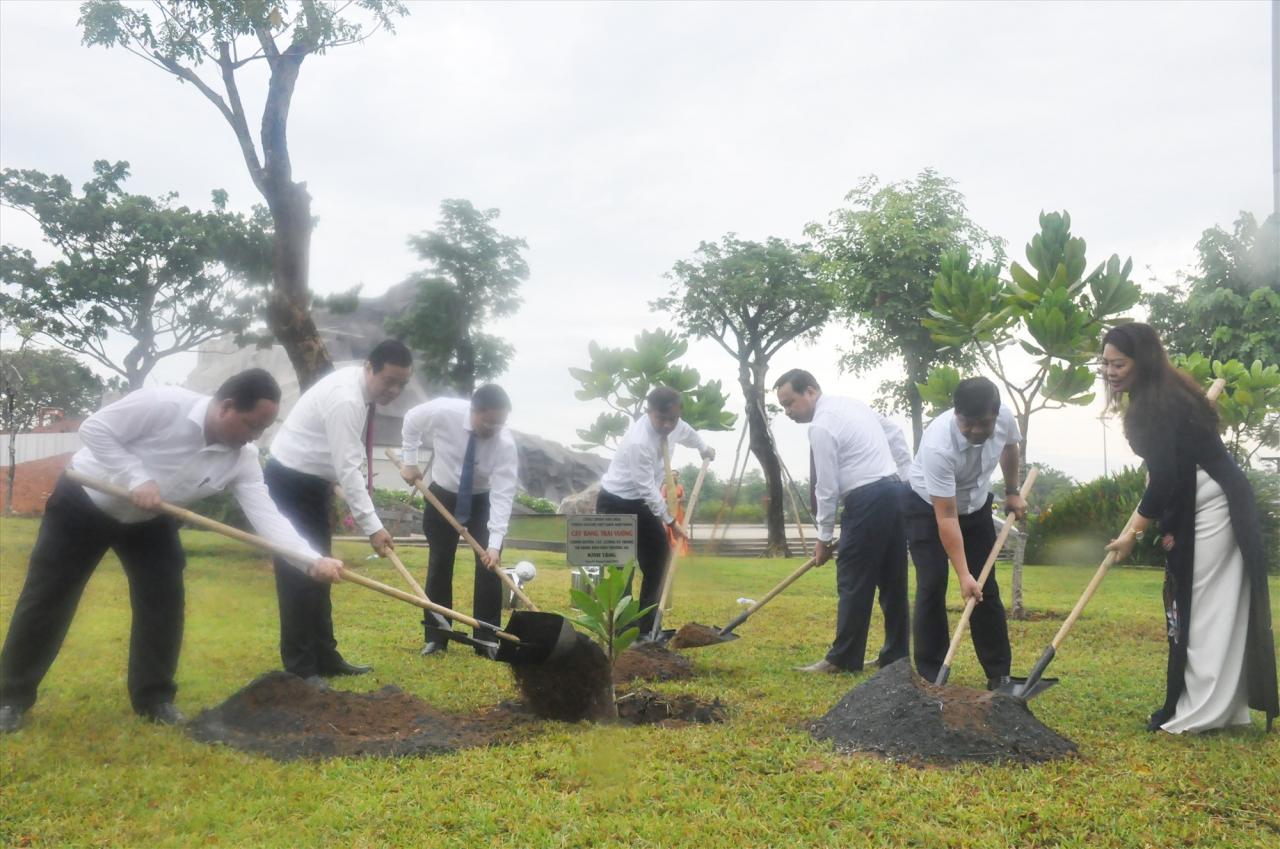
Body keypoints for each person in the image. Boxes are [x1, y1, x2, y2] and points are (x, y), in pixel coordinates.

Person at [0, 369, 345, 733]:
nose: (254, 437)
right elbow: (95, 430)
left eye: (262, 429)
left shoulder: (241, 458)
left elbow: (268, 517)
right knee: (48, 598)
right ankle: (9, 697)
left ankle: (155, 699)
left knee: (163, 602)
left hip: (152, 519)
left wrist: (311, 560)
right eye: (250, 425)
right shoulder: (163, 404)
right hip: (85, 503)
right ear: (226, 406)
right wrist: (136, 478)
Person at [1101, 323, 1277, 733]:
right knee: (1205, 606)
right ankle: (1218, 707)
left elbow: (1163, 478)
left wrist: (1133, 534)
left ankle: (1204, 710)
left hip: (1215, 504)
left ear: (1141, 361)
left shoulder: (1156, 405)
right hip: (1204, 499)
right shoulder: (1160, 395)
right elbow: (1169, 472)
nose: (1110, 371)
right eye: (1105, 363)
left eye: (1119, 363)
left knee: (1204, 608)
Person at [266, 340, 413, 682]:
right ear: (369, 367)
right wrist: (373, 528)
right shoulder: (347, 399)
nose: (394, 390)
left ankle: (326, 657)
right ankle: (301, 668)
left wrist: (332, 487)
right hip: (289, 483)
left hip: (312, 484)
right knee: (298, 575)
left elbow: (341, 464)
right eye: (388, 380)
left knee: (322, 571)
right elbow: (349, 469)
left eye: (401, 384)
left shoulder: (359, 391)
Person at [775, 369, 909, 674]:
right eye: (783, 406)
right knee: (893, 580)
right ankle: (896, 657)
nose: (788, 412)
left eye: (790, 403)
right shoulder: (853, 405)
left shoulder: (821, 426)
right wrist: (907, 481)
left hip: (866, 499)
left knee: (853, 580)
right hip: (893, 492)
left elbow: (826, 486)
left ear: (810, 390)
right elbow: (896, 434)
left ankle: (843, 659)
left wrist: (822, 538)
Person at [904, 377, 1026, 688]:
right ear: (956, 413)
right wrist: (963, 574)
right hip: (929, 508)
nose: (973, 430)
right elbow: (945, 517)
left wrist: (1012, 491)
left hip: (975, 505)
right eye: (966, 422)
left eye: (982, 423)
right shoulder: (938, 446)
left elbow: (1010, 447)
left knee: (987, 587)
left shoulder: (1005, 419)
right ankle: (931, 675)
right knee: (932, 583)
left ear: (995, 415)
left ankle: (999, 676)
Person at [399, 384, 519, 656]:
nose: (494, 429)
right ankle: (437, 636)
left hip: (482, 500)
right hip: (442, 495)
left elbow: (503, 494)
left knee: (489, 567)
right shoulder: (444, 411)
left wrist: (495, 544)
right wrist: (409, 460)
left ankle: (487, 639)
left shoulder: (505, 444)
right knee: (440, 562)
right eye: (489, 422)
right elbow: (411, 421)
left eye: (500, 424)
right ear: (474, 412)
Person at [596, 387, 715, 635]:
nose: (667, 425)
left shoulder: (676, 425)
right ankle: (623, 633)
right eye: (661, 418)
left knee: (659, 561)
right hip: (615, 503)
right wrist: (671, 522)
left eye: (672, 419)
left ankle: (648, 629)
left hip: (642, 504)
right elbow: (647, 488)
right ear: (650, 412)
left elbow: (688, 433)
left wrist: (703, 448)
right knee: (621, 572)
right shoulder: (639, 442)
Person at [661, 472, 690, 556]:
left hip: (679, 511)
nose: (674, 477)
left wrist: (679, 500)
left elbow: (683, 497)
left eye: (676, 475)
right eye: (672, 475)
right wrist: (671, 500)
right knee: (669, 529)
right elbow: (662, 498)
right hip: (669, 510)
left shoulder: (680, 486)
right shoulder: (665, 486)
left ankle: (681, 550)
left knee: (680, 529)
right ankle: (669, 550)